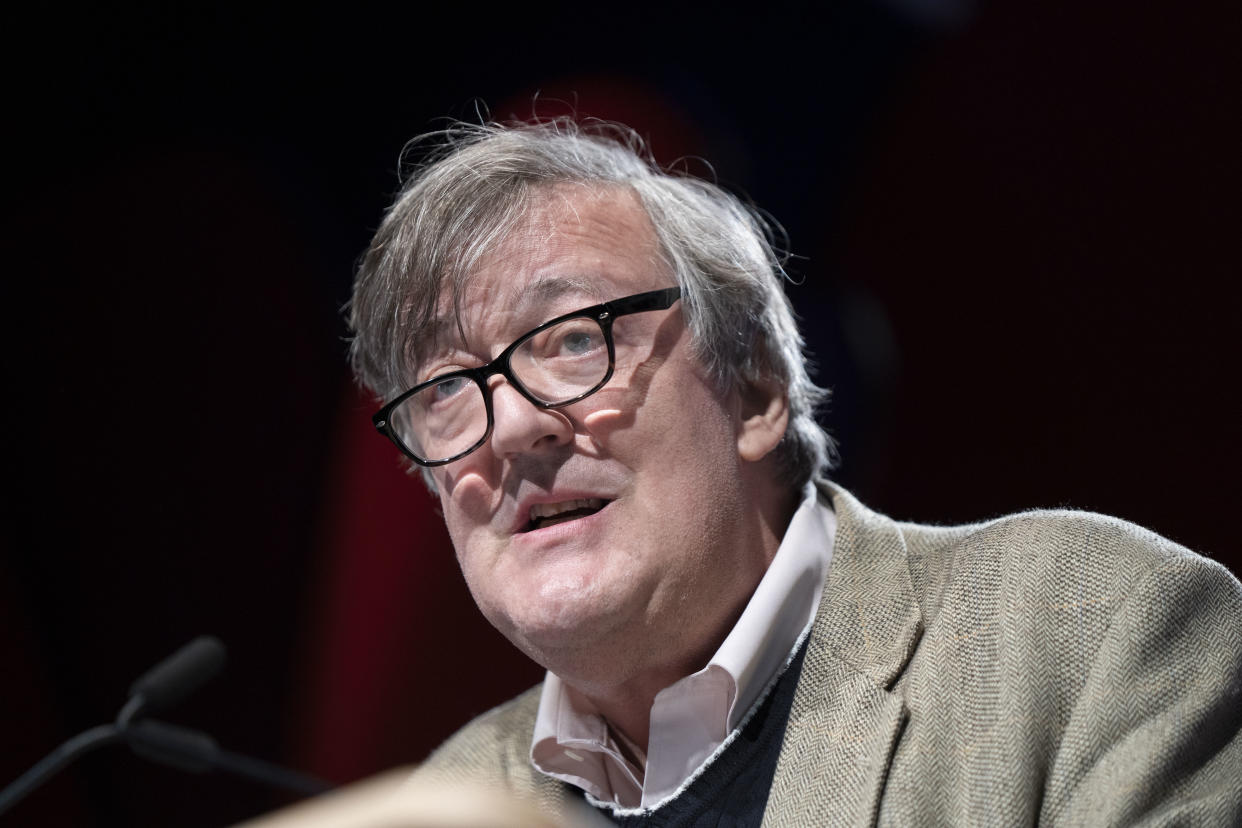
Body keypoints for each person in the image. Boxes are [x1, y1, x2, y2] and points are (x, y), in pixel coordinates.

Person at [346, 119, 1242, 826]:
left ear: (757, 390)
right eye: (446, 392)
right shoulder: (453, 802)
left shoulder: (1089, 635)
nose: (511, 426)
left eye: (576, 339)